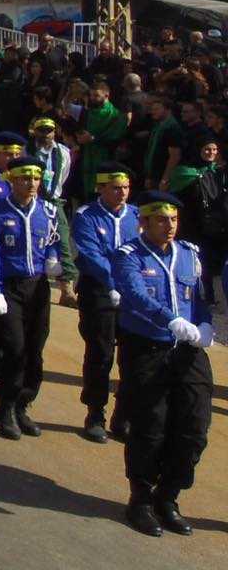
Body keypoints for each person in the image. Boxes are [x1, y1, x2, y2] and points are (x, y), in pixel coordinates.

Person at [114, 190, 214, 537]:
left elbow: (200, 297)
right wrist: (170, 319)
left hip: (187, 350)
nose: (169, 226)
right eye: (160, 219)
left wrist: (205, 324)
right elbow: (135, 294)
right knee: (150, 427)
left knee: (194, 428)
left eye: (173, 219)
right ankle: (140, 500)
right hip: (147, 348)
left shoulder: (189, 253)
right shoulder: (129, 255)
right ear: (143, 222)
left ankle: (168, 496)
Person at [0, 162, 63, 440]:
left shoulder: (47, 211)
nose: (31, 183)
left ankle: (22, 404)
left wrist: (53, 257)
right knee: (14, 347)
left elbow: (54, 239)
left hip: (37, 287)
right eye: (25, 178)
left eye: (36, 178)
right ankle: (5, 405)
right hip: (9, 287)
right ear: (12, 180)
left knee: (35, 349)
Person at [73, 164, 140, 444]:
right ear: (101, 188)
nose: (122, 193)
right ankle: (95, 413)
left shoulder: (137, 215)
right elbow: (92, 255)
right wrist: (114, 282)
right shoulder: (86, 216)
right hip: (99, 291)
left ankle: (123, 415)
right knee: (101, 353)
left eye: (125, 188)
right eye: (115, 188)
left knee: (132, 355)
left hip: (132, 293)